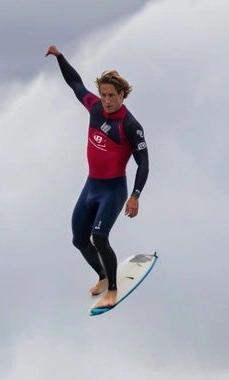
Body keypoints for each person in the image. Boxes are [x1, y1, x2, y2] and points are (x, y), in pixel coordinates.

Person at [45, 45, 150, 310]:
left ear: (122, 95)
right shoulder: (94, 108)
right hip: (91, 185)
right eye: (103, 94)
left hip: (113, 190)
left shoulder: (130, 125)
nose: (106, 100)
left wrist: (136, 195)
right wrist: (60, 57)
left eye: (111, 95)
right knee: (79, 240)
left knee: (99, 237)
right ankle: (103, 275)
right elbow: (76, 84)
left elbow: (144, 162)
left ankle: (112, 291)